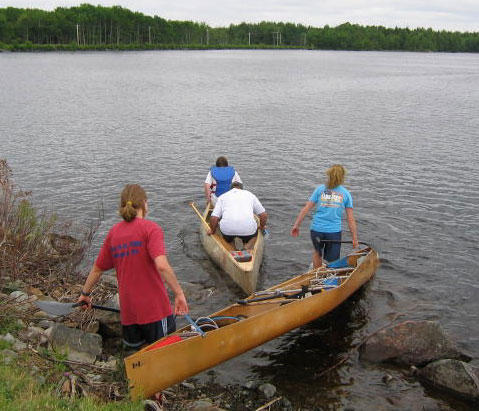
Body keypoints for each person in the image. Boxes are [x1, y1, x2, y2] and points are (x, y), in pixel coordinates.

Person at [78, 184, 188, 352]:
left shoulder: (114, 233)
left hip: (129, 314)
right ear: (144, 203)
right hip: (155, 311)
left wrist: (84, 294)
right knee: (166, 353)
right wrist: (179, 293)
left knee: (135, 357)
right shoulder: (151, 229)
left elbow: (97, 269)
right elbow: (162, 266)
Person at [291, 164, 358, 268]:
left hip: (316, 229)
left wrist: (296, 225)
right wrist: (354, 238)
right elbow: (350, 219)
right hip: (333, 232)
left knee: (318, 253)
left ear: (329, 175)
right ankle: (330, 275)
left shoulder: (319, 189)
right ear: (342, 177)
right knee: (332, 259)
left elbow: (306, 209)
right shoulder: (346, 194)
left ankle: (316, 273)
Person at [208, 181, 267, 250]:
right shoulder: (250, 195)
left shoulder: (222, 197)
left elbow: (214, 218)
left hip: (227, 231)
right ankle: (247, 247)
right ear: (242, 188)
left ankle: (233, 249)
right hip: (248, 230)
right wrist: (262, 226)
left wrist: (212, 230)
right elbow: (263, 215)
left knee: (228, 238)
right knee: (253, 235)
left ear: (230, 189)